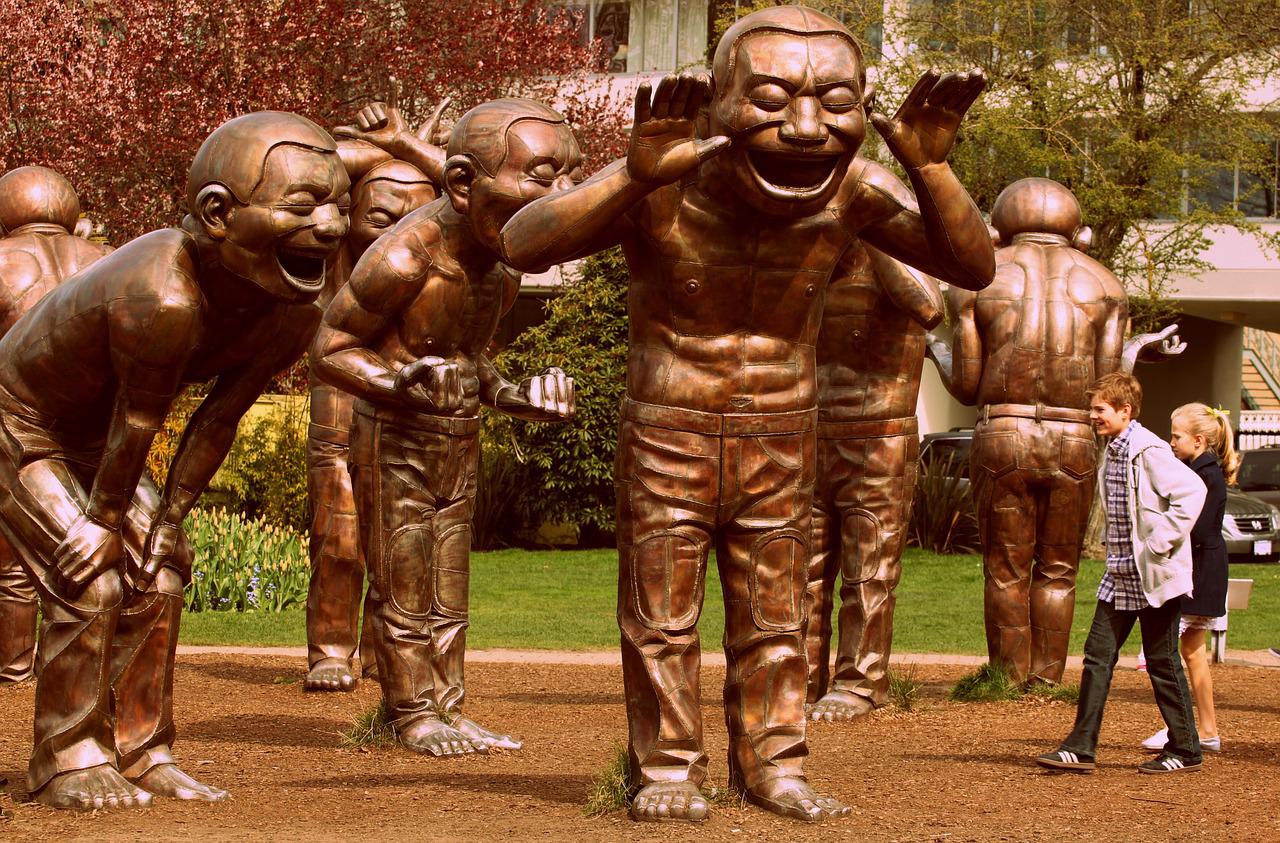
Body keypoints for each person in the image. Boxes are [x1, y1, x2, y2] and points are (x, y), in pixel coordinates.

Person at [499, 6, 994, 823]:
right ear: (717, 101)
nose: (805, 127)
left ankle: (774, 764)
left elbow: (971, 264)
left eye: (836, 102)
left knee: (778, 616)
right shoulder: (664, 182)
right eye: (770, 99)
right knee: (661, 616)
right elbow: (520, 243)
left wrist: (930, 166)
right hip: (669, 427)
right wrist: (632, 176)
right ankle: (666, 769)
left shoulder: (856, 191)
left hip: (783, 433)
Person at [0, 111, 350, 809]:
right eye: (304, 206)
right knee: (92, 578)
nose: (333, 226)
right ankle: (67, 756)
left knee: (161, 570)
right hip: (19, 423)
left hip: (94, 437)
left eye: (339, 205)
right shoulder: (162, 289)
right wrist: (103, 523)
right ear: (218, 214)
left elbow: (218, 417)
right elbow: (140, 419)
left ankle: (142, 748)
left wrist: (170, 519)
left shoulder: (290, 311)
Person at [312, 98, 578, 759]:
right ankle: (410, 713)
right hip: (394, 441)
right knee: (404, 584)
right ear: (462, 183)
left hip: (458, 442)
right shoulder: (404, 257)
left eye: (568, 178)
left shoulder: (502, 268)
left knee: (449, 592)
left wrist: (516, 395)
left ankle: (448, 708)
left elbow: (471, 361)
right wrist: (397, 383)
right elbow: (330, 347)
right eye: (542, 178)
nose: (562, 198)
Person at [1037, 372, 1207, 774]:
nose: (1093, 415)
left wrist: (1158, 543)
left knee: (1162, 661)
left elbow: (1192, 492)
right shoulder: (1113, 449)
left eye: (1100, 409)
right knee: (1097, 656)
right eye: (1092, 408)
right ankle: (1081, 747)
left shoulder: (1148, 451)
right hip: (1119, 577)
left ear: (1124, 410)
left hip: (1153, 578)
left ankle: (1185, 749)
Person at [804, 243, 942, 721]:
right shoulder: (813, 253)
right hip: (808, 429)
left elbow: (929, 306)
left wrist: (874, 230)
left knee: (869, 569)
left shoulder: (893, 256)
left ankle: (859, 682)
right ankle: (799, 677)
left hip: (878, 431)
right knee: (800, 571)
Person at [0, 166, 114, 685]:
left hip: (20, 427)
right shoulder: (107, 261)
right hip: (95, 430)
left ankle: (14, 665)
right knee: (94, 556)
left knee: (10, 560)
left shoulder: (5, 261)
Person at [1140, 403, 1235, 754]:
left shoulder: (1202, 477)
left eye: (1176, 436)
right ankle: (1206, 729)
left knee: (1165, 651)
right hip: (1206, 569)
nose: (1171, 442)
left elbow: (1194, 527)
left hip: (1199, 573)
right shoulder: (1206, 472)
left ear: (1198, 440)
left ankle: (1178, 729)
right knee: (1192, 652)